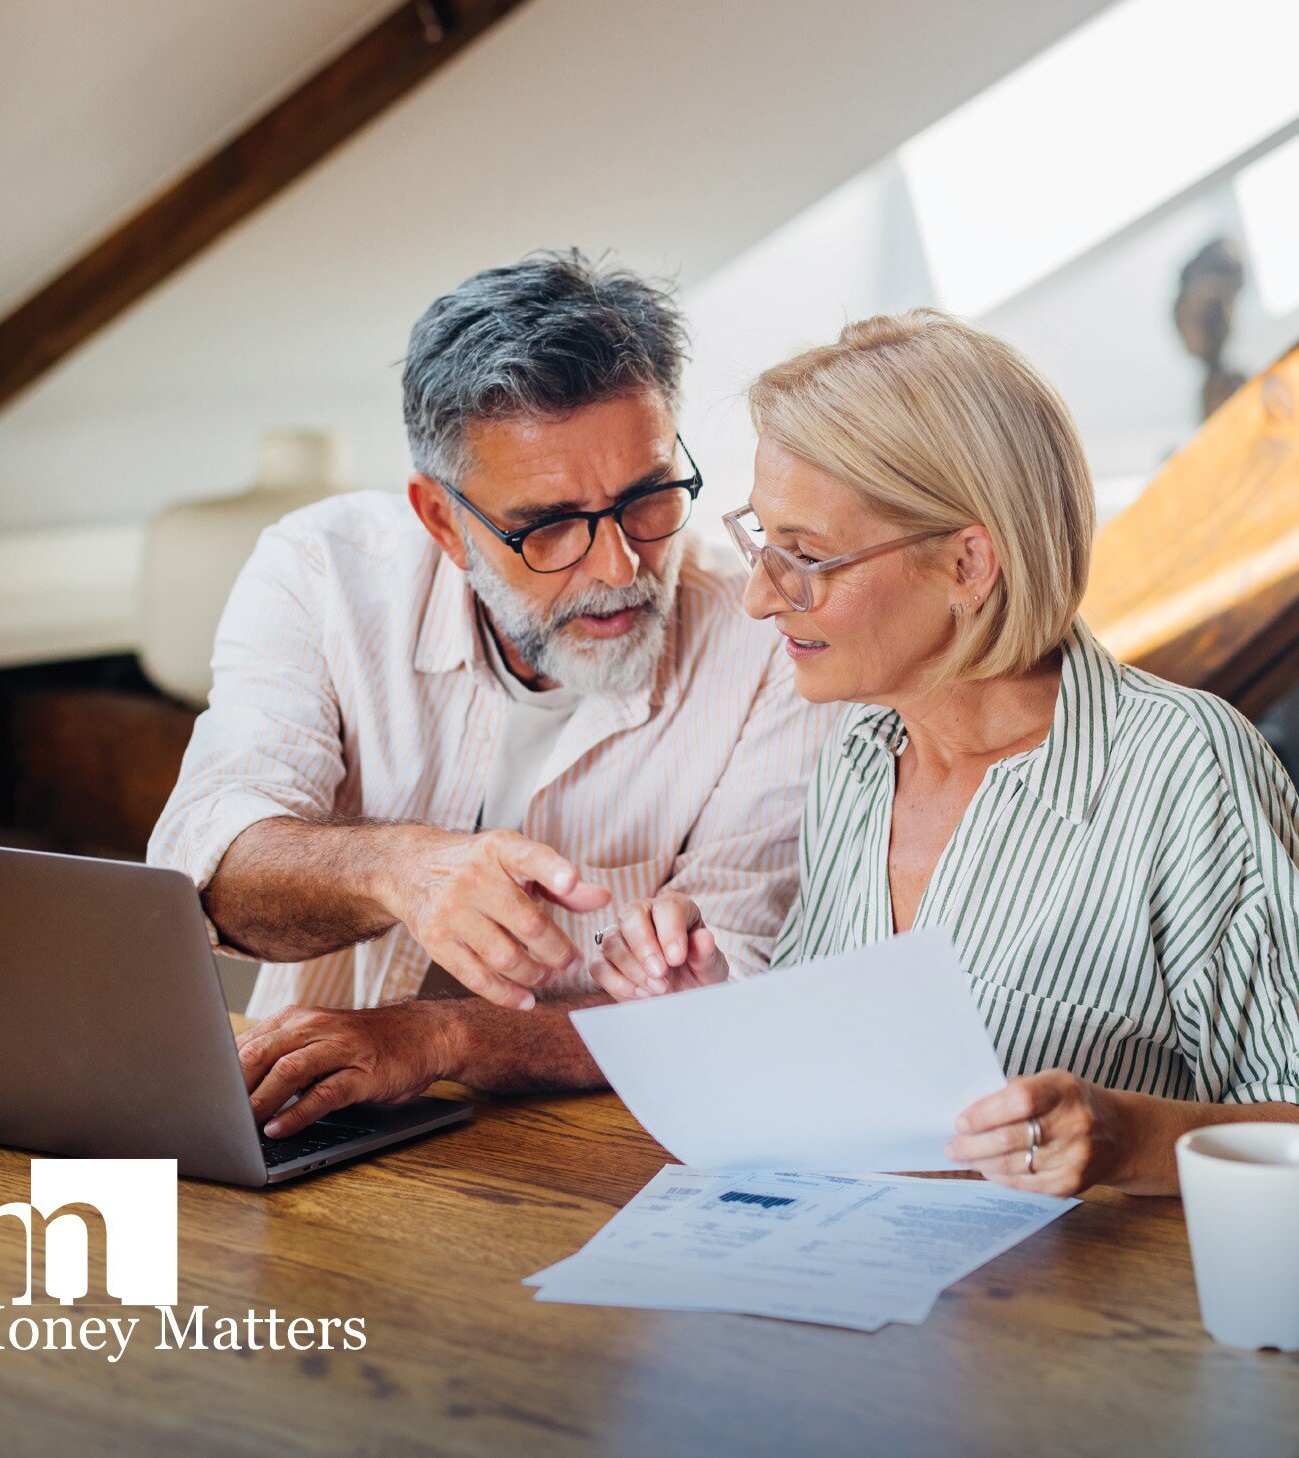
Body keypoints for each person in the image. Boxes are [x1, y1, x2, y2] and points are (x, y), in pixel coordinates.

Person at [589, 308, 1299, 1198]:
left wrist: (1126, 1137)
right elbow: (842, 1089)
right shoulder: (857, 755)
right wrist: (706, 1009)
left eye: (804, 555)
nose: (761, 598)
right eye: (763, 541)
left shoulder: (1187, 771)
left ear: (968, 566)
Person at [148, 251, 837, 1137]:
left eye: (650, 498)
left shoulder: (768, 641)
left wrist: (440, 1038)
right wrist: (400, 869)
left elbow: (730, 995)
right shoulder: (322, 572)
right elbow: (206, 870)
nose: (620, 567)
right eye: (550, 527)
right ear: (441, 520)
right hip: (316, 1139)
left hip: (613, 1151)